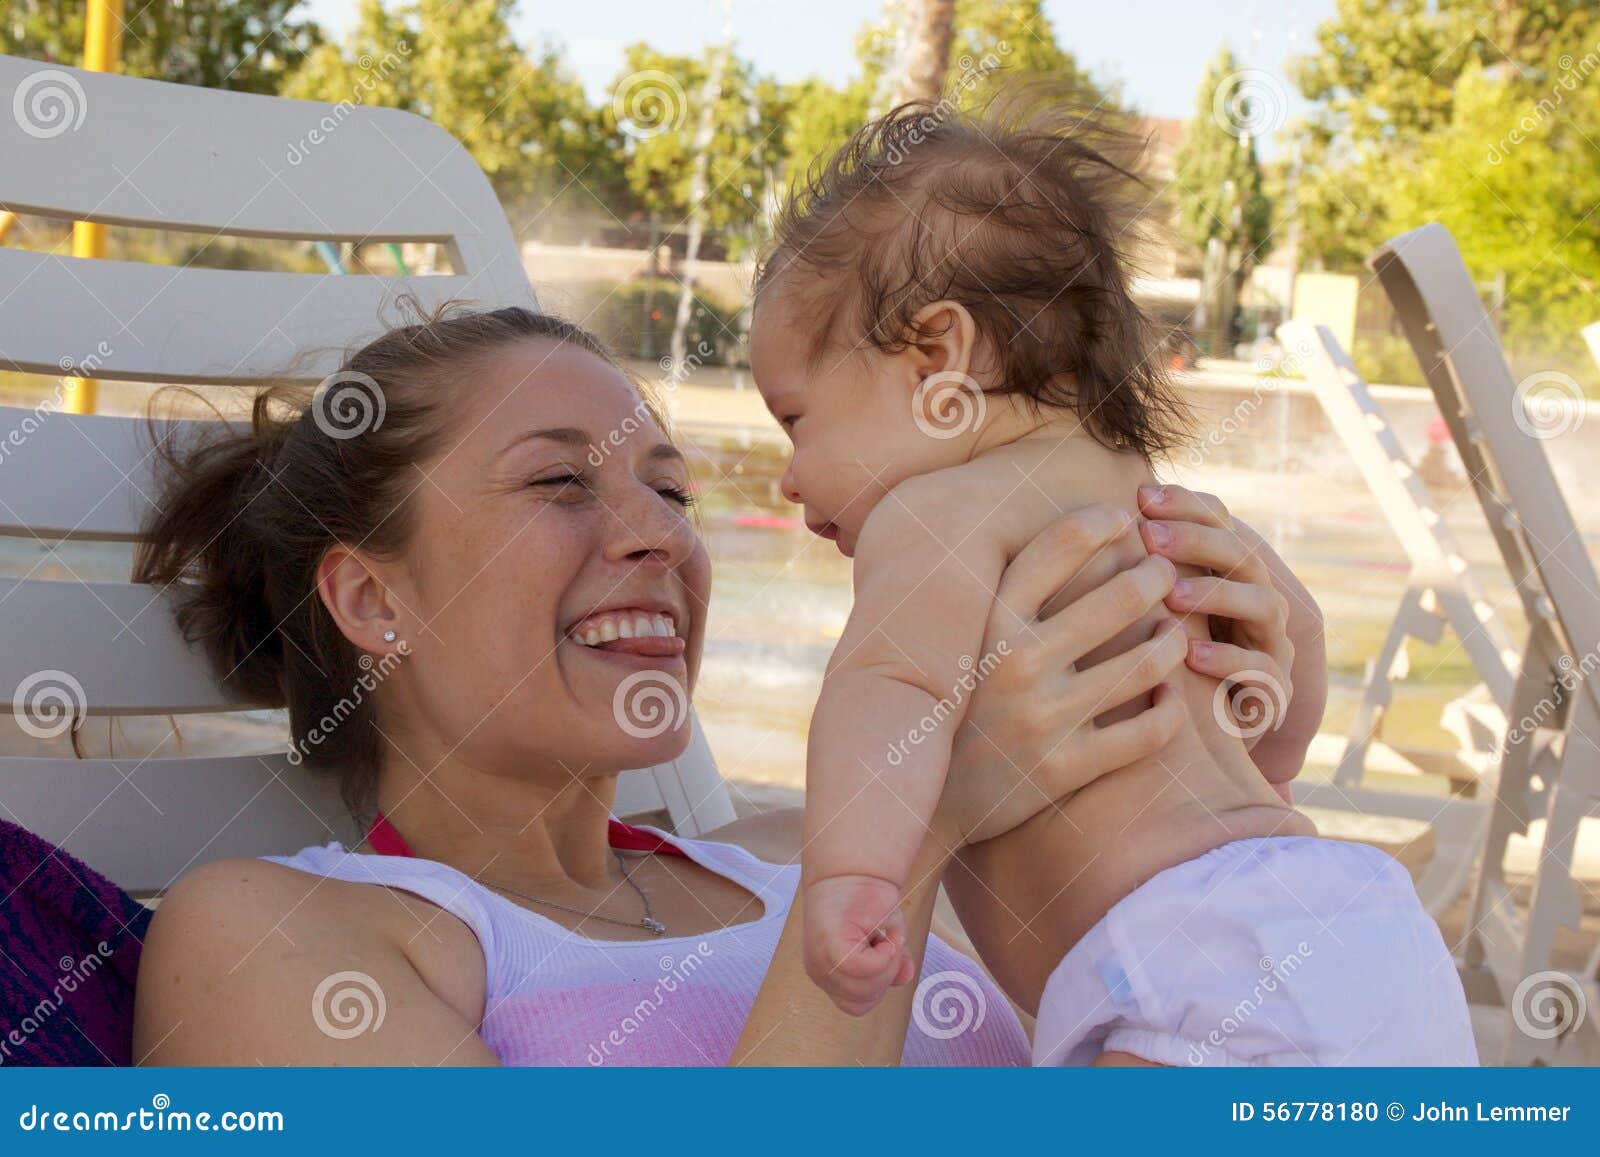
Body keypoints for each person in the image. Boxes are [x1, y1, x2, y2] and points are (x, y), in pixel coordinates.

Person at [130, 305, 1305, 1066]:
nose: (661, 535)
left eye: (672, 492)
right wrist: (919, 820)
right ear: (371, 597)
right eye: (559, 484)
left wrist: (1217, 709)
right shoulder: (267, 932)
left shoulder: (798, 848)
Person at [745, 91, 1476, 1063]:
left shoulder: (934, 514)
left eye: (796, 420)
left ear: (937, 357)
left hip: (1190, 965)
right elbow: (1289, 646)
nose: (791, 476)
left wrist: (854, 877)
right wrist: (1265, 753)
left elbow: (887, 689)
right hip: (1356, 921)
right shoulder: (1149, 496)